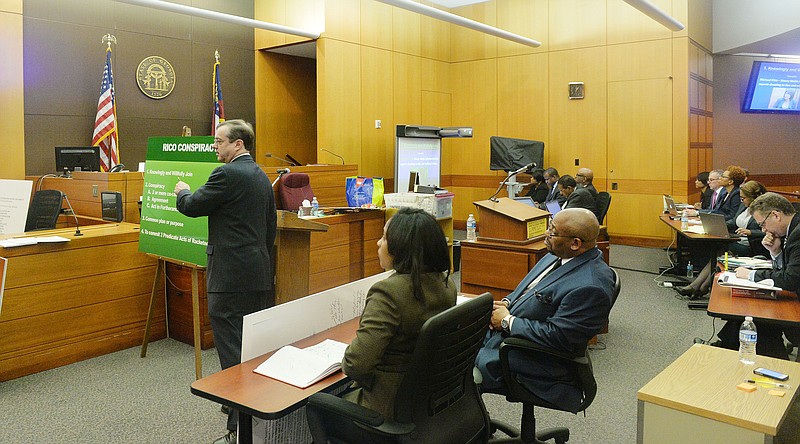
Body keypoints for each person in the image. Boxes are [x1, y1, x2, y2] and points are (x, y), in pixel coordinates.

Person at [174, 119, 277, 444]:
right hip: (258, 273)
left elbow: (192, 207)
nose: (215, 147)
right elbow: (270, 227)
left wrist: (182, 192)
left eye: (219, 141)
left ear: (238, 144)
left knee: (232, 350)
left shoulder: (227, 173)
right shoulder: (260, 175)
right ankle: (248, 411)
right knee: (252, 345)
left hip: (229, 277)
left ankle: (239, 425)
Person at [475, 208, 614, 412]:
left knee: (452, 363)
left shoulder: (590, 286)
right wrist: (506, 303)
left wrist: (507, 321)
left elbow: (559, 337)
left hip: (536, 359)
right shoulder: (556, 255)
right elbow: (526, 291)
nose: (545, 235)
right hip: (513, 335)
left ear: (575, 243)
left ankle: (471, 428)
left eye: (553, 231)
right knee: (450, 336)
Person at [340, 207, 456, 420]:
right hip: (429, 400)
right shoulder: (447, 285)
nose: (378, 243)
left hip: (386, 406)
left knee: (317, 405)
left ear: (400, 248)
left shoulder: (388, 292)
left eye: (384, 238)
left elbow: (355, 365)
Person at [721, 192, 800, 359]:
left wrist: (751, 275)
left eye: (762, 225)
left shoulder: (797, 235)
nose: (763, 230)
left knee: (759, 318)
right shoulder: (792, 229)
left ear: (775, 215)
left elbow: (790, 279)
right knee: (754, 315)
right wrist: (776, 252)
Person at [675, 180, 768, 298]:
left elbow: (768, 231)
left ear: (754, 197)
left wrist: (750, 232)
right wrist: (718, 224)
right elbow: (734, 221)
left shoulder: (764, 210)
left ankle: (698, 287)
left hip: (752, 246)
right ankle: (699, 287)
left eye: (743, 198)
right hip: (737, 240)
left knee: (721, 252)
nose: (741, 201)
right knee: (718, 252)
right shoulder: (744, 207)